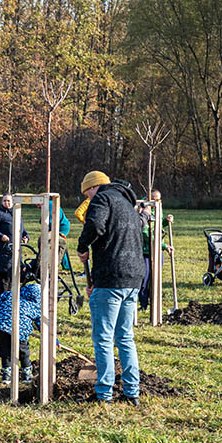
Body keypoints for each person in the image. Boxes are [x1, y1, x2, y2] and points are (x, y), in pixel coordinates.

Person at [76, 171, 145, 406]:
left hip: (111, 279)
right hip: (133, 278)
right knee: (125, 337)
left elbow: (95, 224)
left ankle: (104, 393)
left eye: (87, 194)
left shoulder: (103, 199)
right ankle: (132, 392)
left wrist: (82, 245)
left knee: (104, 338)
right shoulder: (128, 204)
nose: (88, 200)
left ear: (95, 187)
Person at [0, 276, 42, 384]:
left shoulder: (10, 294)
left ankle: (6, 375)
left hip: (1, 326)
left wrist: (1, 314)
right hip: (20, 330)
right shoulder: (36, 306)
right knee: (23, 352)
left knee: (5, 351)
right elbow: (40, 323)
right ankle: (26, 374)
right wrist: (50, 336)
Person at [0, 194, 28, 294]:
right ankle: (3, 302)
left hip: (16, 251)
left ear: (12, 202)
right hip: (3, 251)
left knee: (14, 277)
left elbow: (23, 229)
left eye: (8, 201)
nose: (7, 203)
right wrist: (1, 236)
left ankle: (12, 303)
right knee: (4, 279)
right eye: (4, 201)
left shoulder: (17, 213)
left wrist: (26, 236)